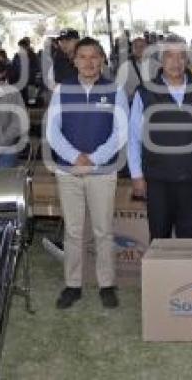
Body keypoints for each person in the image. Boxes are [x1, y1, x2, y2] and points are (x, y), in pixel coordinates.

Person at [46, 37, 129, 309]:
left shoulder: (114, 90)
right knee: (73, 231)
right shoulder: (62, 90)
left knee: (103, 230)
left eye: (95, 56)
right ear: (75, 60)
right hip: (68, 171)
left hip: (102, 171)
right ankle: (73, 285)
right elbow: (52, 131)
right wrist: (74, 158)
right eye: (83, 56)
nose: (89, 62)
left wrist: (92, 160)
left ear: (103, 59)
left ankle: (107, 284)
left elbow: (121, 132)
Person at [129, 35, 192, 239]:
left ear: (187, 60)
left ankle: (185, 272)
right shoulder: (145, 93)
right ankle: (161, 273)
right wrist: (136, 175)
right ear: (161, 59)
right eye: (170, 56)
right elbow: (134, 137)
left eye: (181, 57)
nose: (176, 63)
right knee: (159, 236)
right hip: (158, 180)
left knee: (189, 237)